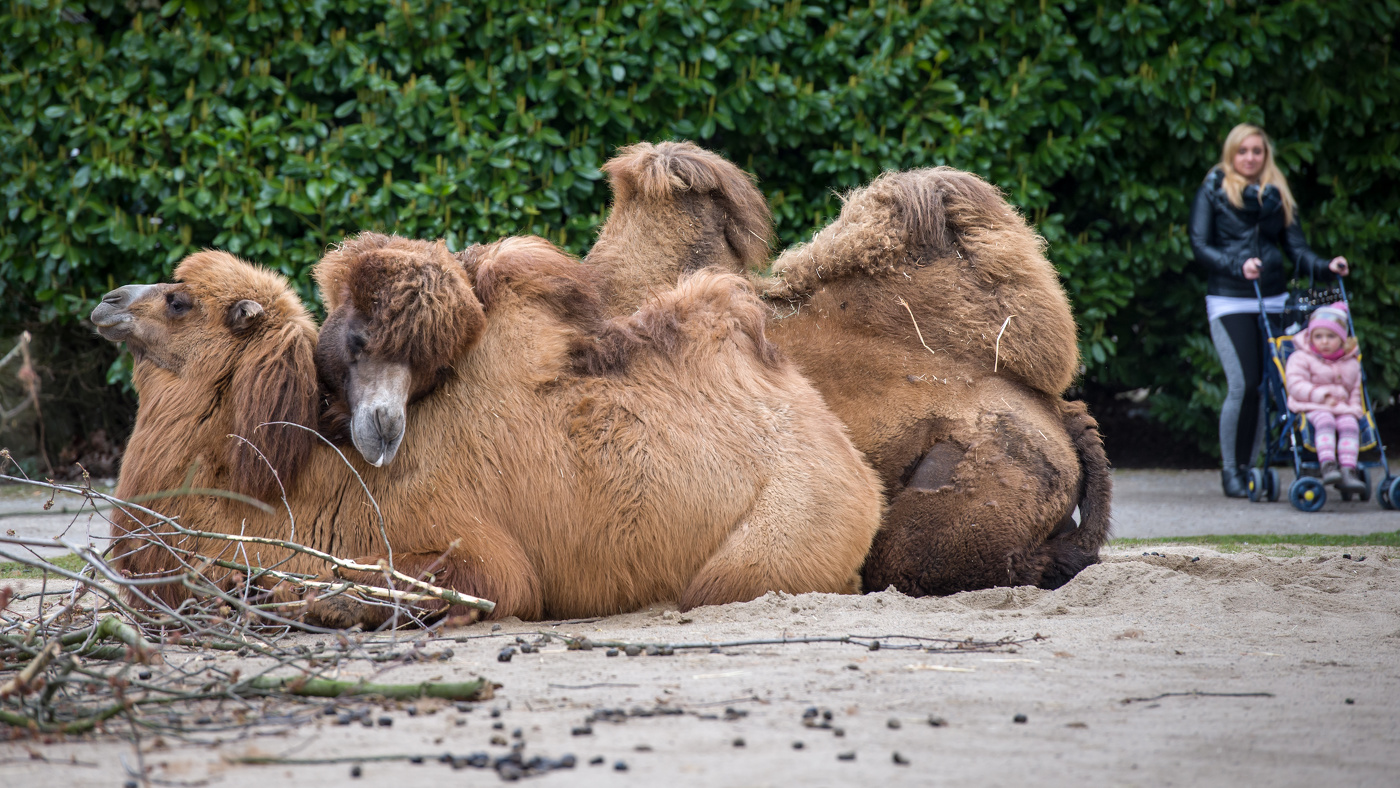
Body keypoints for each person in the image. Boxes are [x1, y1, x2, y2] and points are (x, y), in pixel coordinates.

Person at [1189, 123, 1350, 498]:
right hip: (1229, 298)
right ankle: (1231, 470)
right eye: (1243, 151)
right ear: (1232, 153)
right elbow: (1199, 244)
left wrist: (1327, 265)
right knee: (1241, 383)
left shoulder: (1278, 193)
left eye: (1256, 151)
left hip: (1274, 299)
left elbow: (1297, 249)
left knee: (1264, 387)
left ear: (1265, 155)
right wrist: (1237, 264)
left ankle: (1251, 470)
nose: (1250, 157)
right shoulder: (1213, 187)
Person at [1285, 303, 1367, 493]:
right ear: (1310, 337)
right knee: (1325, 420)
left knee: (1350, 424)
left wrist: (1355, 408)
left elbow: (1355, 390)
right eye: (1318, 336)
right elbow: (1295, 385)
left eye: (1331, 337)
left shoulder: (1351, 363)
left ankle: (1348, 470)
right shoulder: (1301, 358)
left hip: (1343, 408)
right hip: (1312, 405)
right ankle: (1328, 465)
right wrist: (1321, 396)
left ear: (1342, 339)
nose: (1325, 342)